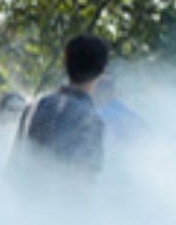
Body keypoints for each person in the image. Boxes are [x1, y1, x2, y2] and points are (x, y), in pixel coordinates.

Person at [12, 34, 109, 184]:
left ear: (65, 64)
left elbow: (13, 165)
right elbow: (82, 180)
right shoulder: (90, 121)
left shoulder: (34, 106)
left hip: (24, 201)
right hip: (57, 204)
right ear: (101, 72)